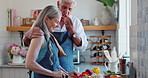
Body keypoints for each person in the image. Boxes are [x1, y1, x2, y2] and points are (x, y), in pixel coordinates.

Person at [23, 0, 88, 73]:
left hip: (66, 68)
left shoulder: (75, 22)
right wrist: (26, 36)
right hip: (45, 72)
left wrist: (72, 31)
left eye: (70, 9)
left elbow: (83, 47)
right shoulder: (43, 28)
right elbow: (28, 46)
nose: (66, 12)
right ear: (58, 4)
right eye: (64, 7)